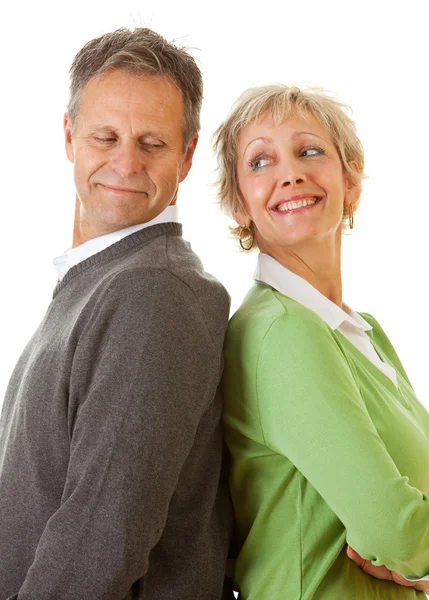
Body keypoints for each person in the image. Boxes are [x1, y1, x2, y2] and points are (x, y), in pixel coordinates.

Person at [0, 27, 233, 600]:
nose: (125, 163)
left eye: (152, 143)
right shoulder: (102, 279)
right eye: (106, 136)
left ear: (186, 156)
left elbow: (101, 535)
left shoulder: (154, 291)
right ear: (69, 136)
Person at [214, 84, 429, 599]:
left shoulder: (363, 331)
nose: (290, 172)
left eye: (310, 151)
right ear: (240, 205)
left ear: (351, 181)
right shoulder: (282, 330)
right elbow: (394, 530)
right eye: (260, 161)